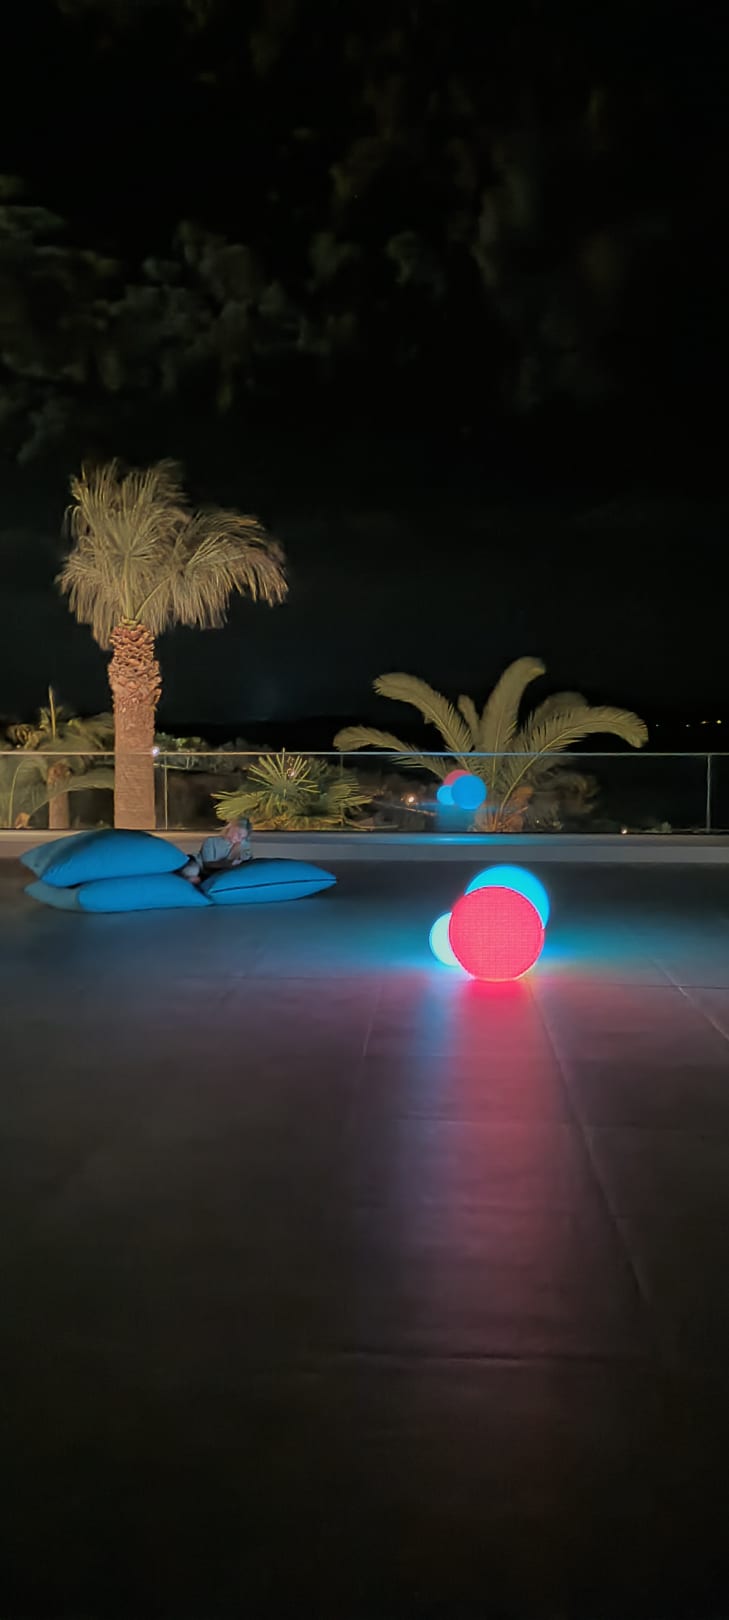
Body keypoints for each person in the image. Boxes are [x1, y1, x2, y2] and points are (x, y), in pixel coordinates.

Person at [181, 817, 252, 884]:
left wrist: (238, 848)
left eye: (243, 837)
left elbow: (247, 863)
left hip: (219, 873)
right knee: (191, 870)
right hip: (200, 866)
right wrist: (227, 864)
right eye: (238, 834)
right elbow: (207, 864)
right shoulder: (211, 841)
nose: (239, 838)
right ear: (231, 829)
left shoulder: (243, 845)